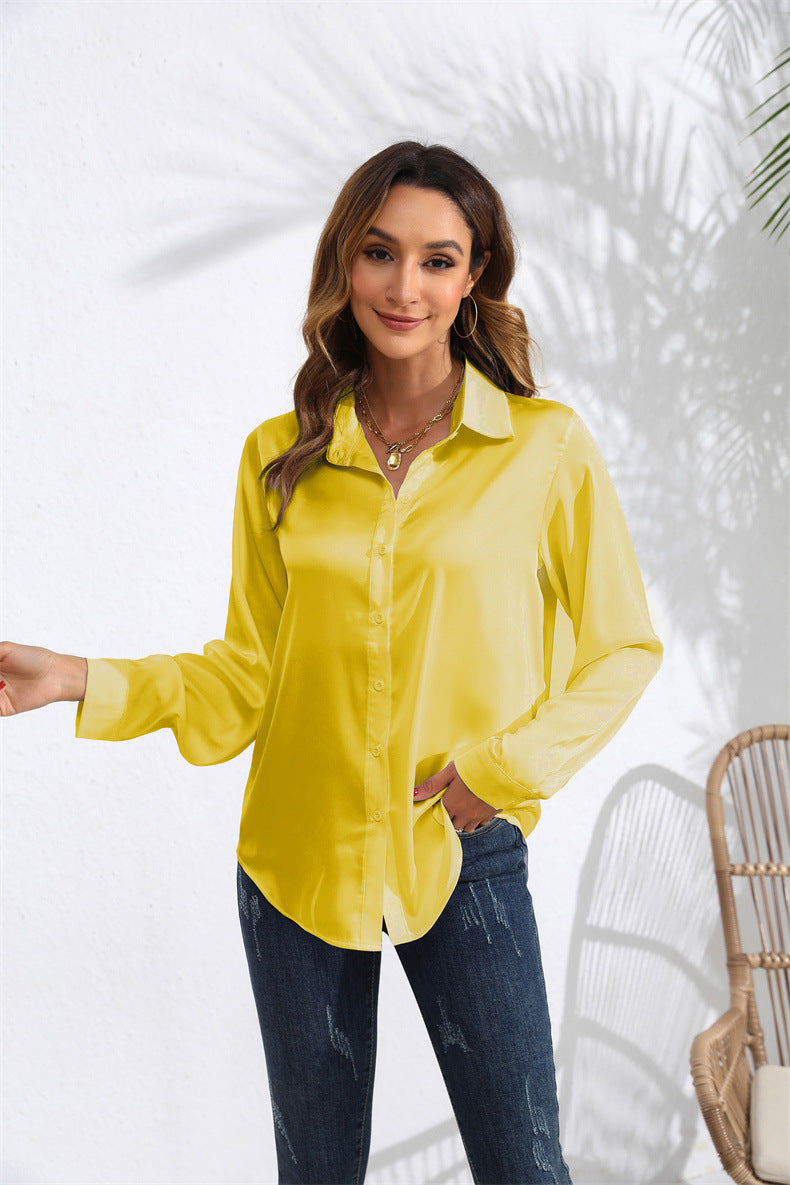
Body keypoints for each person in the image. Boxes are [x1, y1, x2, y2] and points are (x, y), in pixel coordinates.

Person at [1, 140, 663, 1185]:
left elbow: (622, 647)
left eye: (438, 260)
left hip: (459, 845)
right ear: (344, 264)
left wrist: (503, 770)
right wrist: (77, 677)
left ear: (476, 276)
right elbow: (245, 680)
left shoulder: (544, 449)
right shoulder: (281, 456)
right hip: (295, 862)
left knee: (526, 1170)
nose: (405, 288)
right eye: (379, 253)